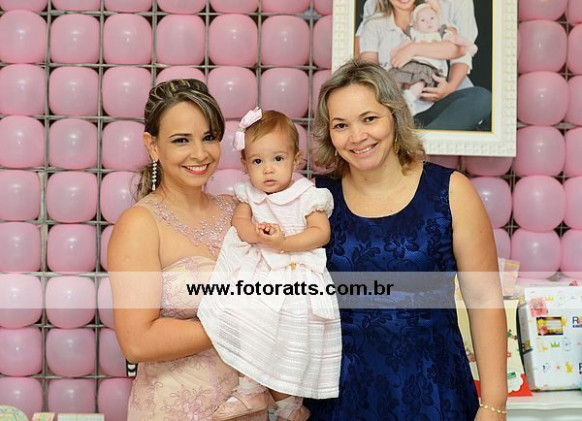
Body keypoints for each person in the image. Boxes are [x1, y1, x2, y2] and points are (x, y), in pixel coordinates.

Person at [305, 59, 508, 420]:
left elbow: (484, 300)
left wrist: (494, 405)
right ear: (329, 133)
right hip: (339, 400)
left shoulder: (451, 191)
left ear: (395, 116)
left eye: (369, 118)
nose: (357, 136)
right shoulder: (313, 199)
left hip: (435, 395)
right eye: (341, 125)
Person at [108, 79, 268, 420]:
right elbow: (137, 341)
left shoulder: (237, 210)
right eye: (182, 140)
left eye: (208, 137)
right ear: (153, 146)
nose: (200, 153)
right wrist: (239, 323)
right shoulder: (140, 224)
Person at [198, 109, 341, 421]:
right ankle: (250, 388)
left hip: (294, 271)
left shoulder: (306, 194)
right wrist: (256, 235)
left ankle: (289, 405)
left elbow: (321, 233)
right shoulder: (249, 194)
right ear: (245, 164)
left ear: (296, 159)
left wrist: (283, 242)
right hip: (260, 268)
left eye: (278, 158)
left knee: (287, 334)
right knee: (240, 314)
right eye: (257, 161)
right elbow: (240, 223)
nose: (268, 169)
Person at [358, 0, 491, 131]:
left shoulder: (431, 17)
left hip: (430, 107)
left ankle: (418, 137)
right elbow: (369, 67)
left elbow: (459, 50)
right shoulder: (374, 24)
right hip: (392, 109)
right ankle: (416, 136)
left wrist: (414, 49)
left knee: (482, 97)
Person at [388, 0, 478, 115]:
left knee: (478, 100)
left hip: (439, 73)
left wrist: (450, 88)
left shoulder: (451, 15)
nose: (428, 22)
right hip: (405, 68)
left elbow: (462, 52)